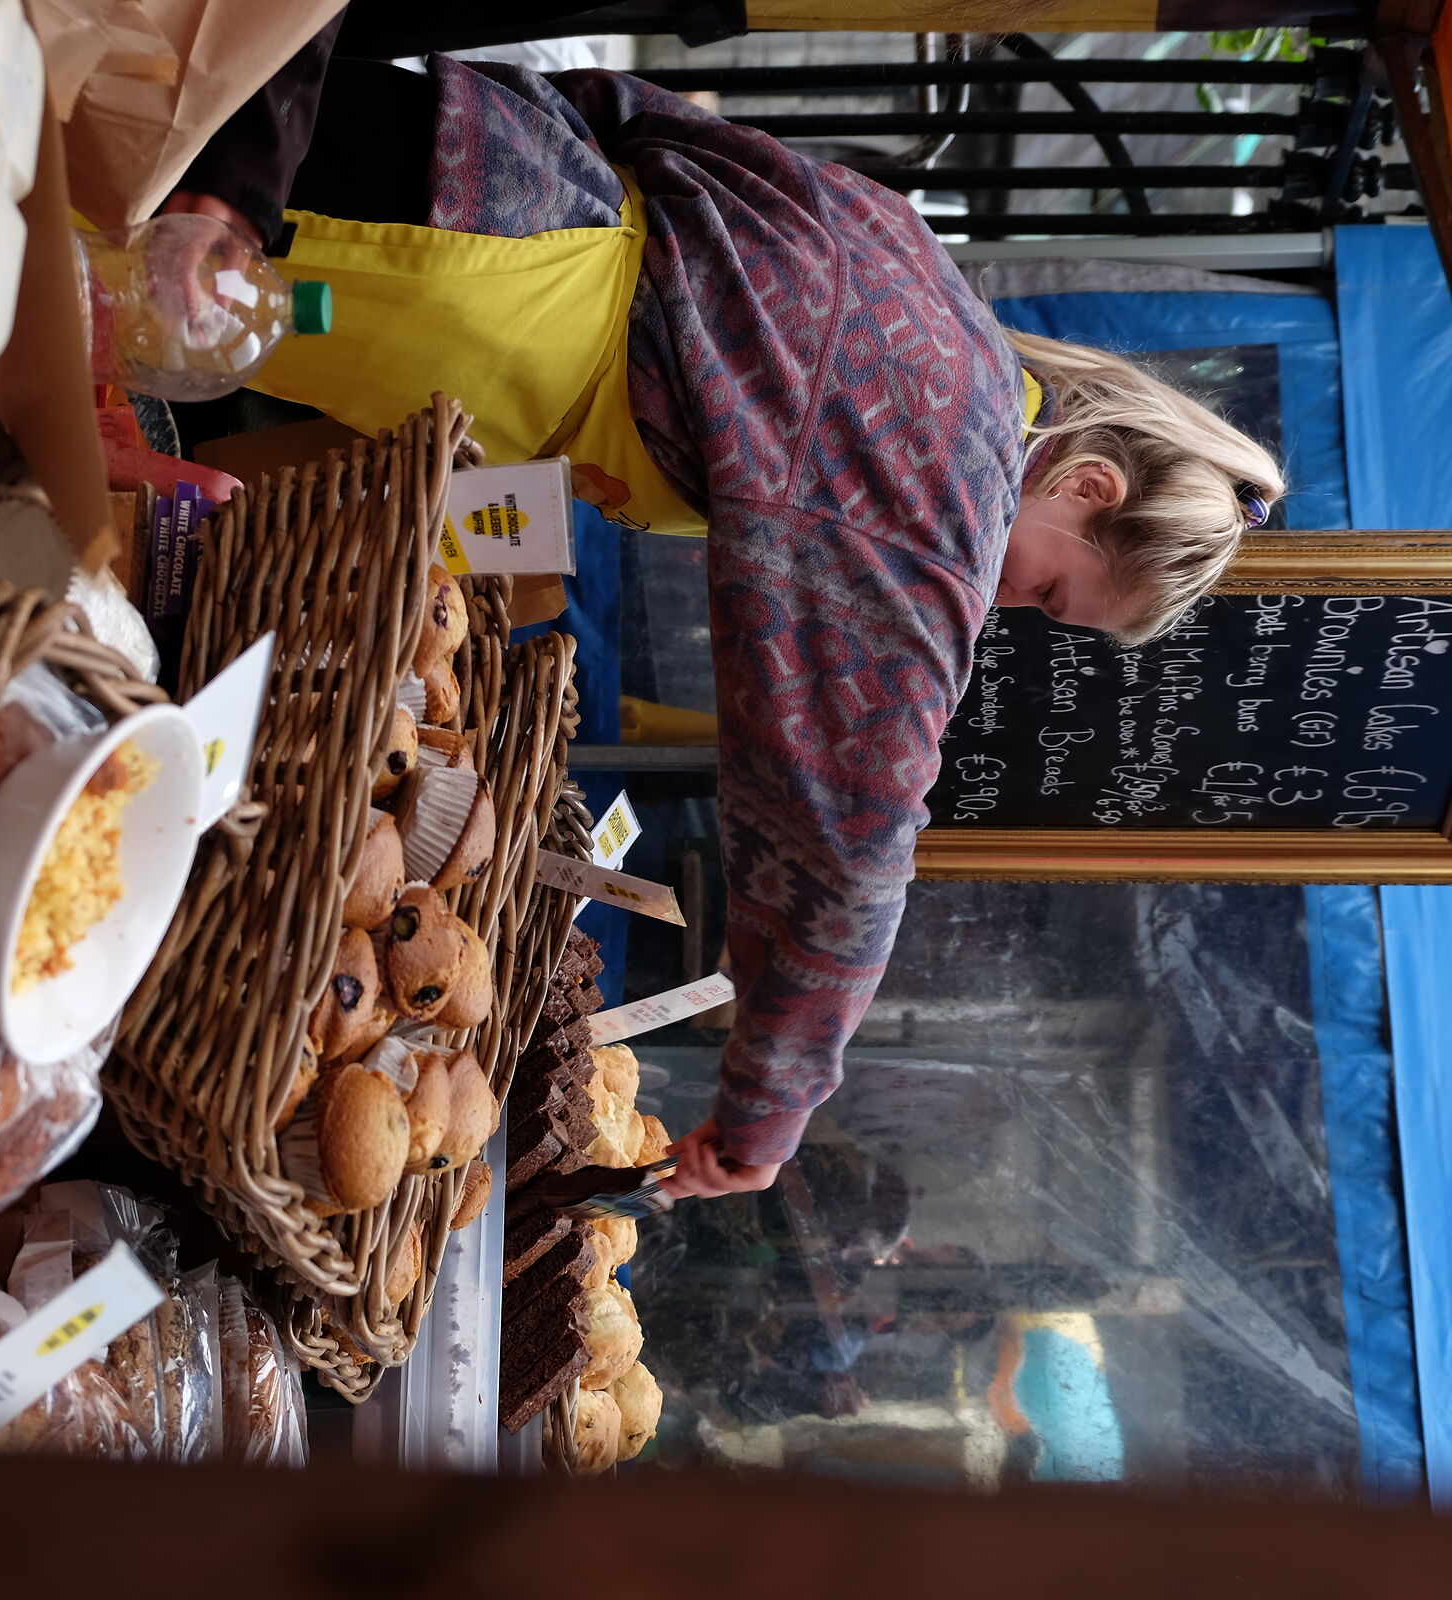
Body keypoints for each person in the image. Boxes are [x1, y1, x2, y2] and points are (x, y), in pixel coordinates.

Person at [164, 54, 1284, 1198]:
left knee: (124, 165)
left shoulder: (939, 297)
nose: (1010, 608)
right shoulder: (951, 487)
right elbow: (851, 831)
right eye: (1049, 592)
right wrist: (770, 1110)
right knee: (95, 274)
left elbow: (641, 117)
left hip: (478, 165)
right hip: (467, 293)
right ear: (1088, 487)